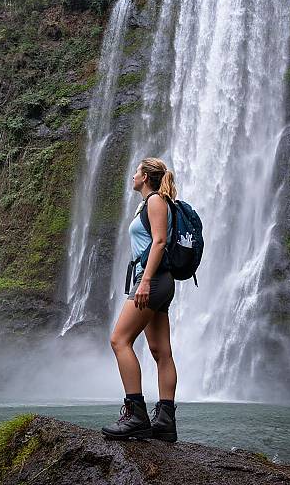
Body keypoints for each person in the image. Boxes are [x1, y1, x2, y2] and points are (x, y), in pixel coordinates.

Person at [101, 157, 178, 442]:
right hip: (159, 280)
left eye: (136, 171)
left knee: (119, 340)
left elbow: (159, 242)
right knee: (161, 351)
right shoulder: (152, 203)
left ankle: (136, 415)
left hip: (153, 279)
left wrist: (144, 281)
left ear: (145, 177)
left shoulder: (156, 201)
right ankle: (165, 422)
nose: (132, 176)